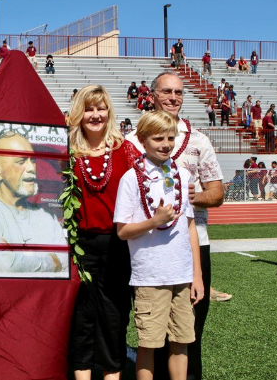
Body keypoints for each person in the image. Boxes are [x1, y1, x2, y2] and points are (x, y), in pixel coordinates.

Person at [126, 72, 224, 380]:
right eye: (166, 91)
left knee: (189, 333)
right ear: (153, 95)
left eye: (178, 92)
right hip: (146, 250)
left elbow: (217, 193)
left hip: (192, 244)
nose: (173, 97)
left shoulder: (198, 140)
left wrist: (191, 197)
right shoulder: (133, 140)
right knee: (152, 334)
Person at [115, 110, 203, 380]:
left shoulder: (183, 176)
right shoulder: (131, 178)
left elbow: (190, 227)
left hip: (182, 275)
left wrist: (197, 275)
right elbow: (122, 231)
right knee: (149, 344)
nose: (166, 144)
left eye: (170, 138)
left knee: (181, 341)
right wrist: (154, 221)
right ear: (142, 140)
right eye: (158, 138)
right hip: (151, 276)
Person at [68, 85, 140, 380]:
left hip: (118, 246)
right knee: (81, 318)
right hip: (78, 246)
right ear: (78, 113)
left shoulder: (126, 150)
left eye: (101, 108)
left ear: (109, 111)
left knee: (114, 316)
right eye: (88, 109)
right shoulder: (67, 152)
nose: (95, 115)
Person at [0, 132, 68, 274]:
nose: (31, 168)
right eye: (21, 161)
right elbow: (5, 266)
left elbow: (65, 263)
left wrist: (17, 257)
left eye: (32, 160)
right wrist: (53, 261)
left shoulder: (47, 217)